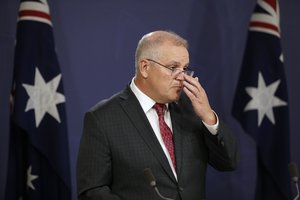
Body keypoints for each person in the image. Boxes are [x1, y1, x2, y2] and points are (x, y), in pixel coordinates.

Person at [76, 30, 239, 200]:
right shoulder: (103, 118)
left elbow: (229, 162)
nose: (182, 77)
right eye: (173, 68)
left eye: (185, 69)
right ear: (145, 67)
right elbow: (92, 192)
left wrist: (208, 116)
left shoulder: (192, 109)